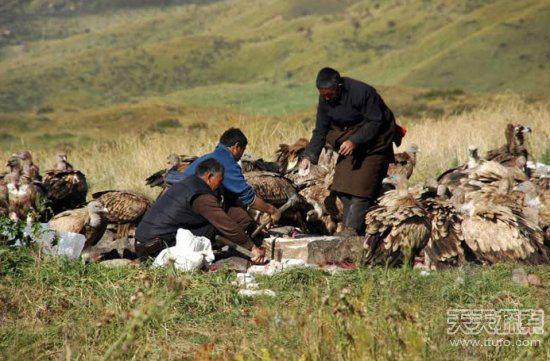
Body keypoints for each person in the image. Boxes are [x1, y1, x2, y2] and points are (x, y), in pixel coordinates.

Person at [300, 67, 399, 236]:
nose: (326, 98)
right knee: (343, 186)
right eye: (323, 94)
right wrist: (308, 156)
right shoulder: (325, 99)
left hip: (377, 139)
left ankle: (352, 230)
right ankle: (349, 229)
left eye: (330, 94)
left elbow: (376, 122)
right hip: (351, 138)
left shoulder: (363, 92)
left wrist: (355, 140)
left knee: (362, 189)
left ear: (339, 87)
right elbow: (321, 130)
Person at [135, 158, 266, 263]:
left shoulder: (188, 183)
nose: (219, 185)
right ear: (209, 177)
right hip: (154, 248)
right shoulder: (201, 195)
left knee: (225, 219)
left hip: (147, 240)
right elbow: (225, 223)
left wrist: (248, 222)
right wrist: (252, 247)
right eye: (219, 181)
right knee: (217, 225)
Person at [178, 127, 281, 223]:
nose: (241, 156)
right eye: (243, 150)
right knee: (244, 220)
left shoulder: (205, 158)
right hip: (191, 211)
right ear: (236, 147)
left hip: (179, 204)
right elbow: (247, 196)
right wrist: (272, 210)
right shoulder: (227, 163)